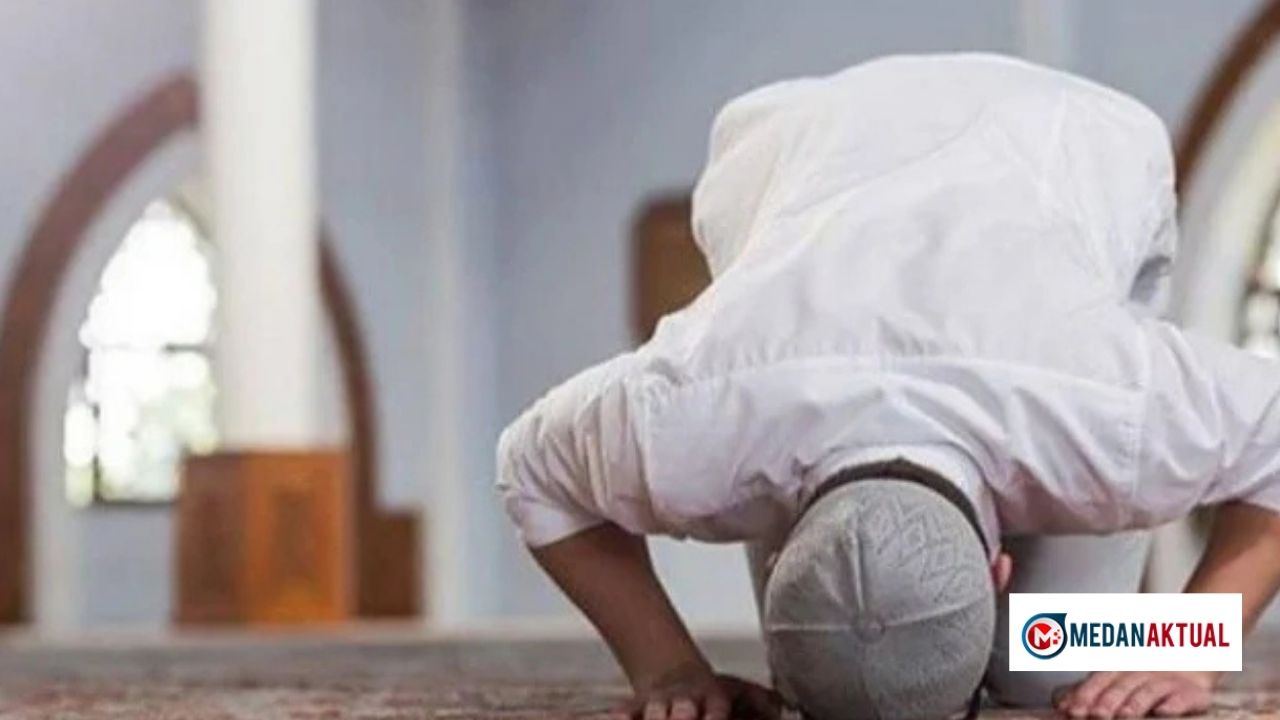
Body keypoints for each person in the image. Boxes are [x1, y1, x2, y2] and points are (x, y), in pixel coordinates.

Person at [496, 53, 1280, 720]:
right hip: (793, 147)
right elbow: (532, 469)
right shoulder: (697, 423)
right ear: (779, 547)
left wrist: (1191, 648)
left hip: (1077, 138)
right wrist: (669, 670)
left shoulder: (1107, 411)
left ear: (999, 576)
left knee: (1045, 665)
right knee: (845, 640)